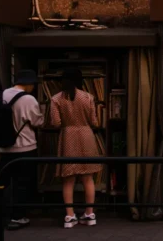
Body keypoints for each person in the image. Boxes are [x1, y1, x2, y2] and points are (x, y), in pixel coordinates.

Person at [0, 70, 44, 231]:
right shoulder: (28, 99)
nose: (33, 87)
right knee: (22, 183)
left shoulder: (0, 95)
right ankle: (17, 217)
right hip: (25, 146)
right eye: (33, 84)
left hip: (5, 147)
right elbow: (37, 121)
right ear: (28, 84)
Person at [50, 68, 102, 229]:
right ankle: (89, 214)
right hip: (86, 136)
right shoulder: (88, 97)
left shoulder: (56, 99)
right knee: (88, 178)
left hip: (68, 137)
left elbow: (55, 123)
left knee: (68, 179)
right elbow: (95, 123)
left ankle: (70, 216)